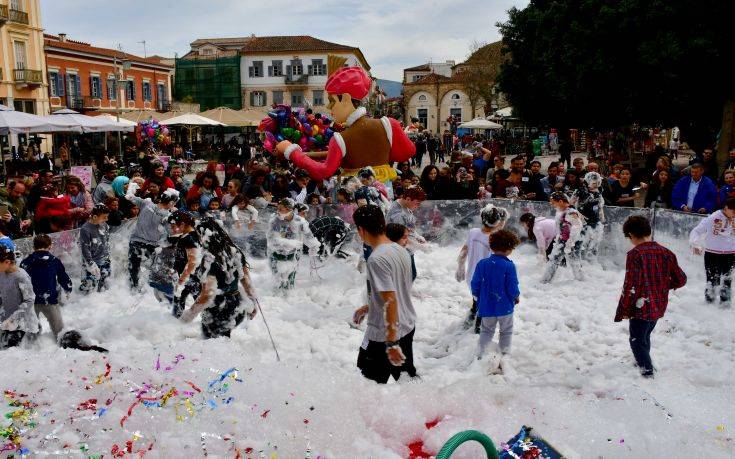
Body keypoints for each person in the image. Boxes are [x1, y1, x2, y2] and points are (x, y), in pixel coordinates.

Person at [351, 205, 417, 384]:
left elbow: (390, 299)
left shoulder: (376, 259)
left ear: (361, 230)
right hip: (407, 324)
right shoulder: (400, 249)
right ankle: (426, 408)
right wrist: (369, 307)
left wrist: (391, 343)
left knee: (368, 384)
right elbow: (396, 289)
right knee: (407, 380)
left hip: (385, 332)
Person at [615, 216, 687, 378]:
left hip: (641, 305)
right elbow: (681, 279)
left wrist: (625, 308)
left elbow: (631, 285)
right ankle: (642, 361)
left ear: (631, 235)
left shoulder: (636, 254)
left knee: (637, 340)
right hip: (658, 304)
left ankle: (647, 371)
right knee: (645, 335)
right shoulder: (666, 252)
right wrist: (662, 286)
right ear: (649, 231)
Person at [179, 218, 258, 339]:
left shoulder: (210, 258)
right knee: (223, 343)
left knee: (213, 347)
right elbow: (246, 281)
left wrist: (189, 315)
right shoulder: (234, 251)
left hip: (218, 310)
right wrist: (253, 302)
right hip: (236, 305)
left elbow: (208, 293)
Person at [471, 230, 521, 372]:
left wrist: (477, 296)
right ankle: (505, 355)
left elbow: (475, 283)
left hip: (486, 306)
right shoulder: (509, 266)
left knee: (486, 330)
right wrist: (516, 296)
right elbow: (512, 286)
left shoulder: (482, 264)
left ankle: (480, 355)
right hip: (504, 307)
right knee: (506, 331)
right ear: (509, 249)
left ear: (492, 247)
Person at [456, 204, 509, 333]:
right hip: (486, 278)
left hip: (471, 276)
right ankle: (478, 330)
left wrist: (460, 268)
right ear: (497, 222)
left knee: (477, 300)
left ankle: (468, 321)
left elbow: (463, 252)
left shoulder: (473, 232)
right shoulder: (495, 239)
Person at [125, 182, 179, 289]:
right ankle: (148, 290)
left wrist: (131, 186)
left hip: (135, 241)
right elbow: (172, 232)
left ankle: (133, 288)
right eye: (174, 203)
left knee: (134, 267)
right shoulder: (167, 216)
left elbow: (129, 197)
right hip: (151, 245)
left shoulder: (147, 204)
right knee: (151, 268)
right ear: (171, 203)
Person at [20, 234, 72, 339]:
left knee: (31, 328)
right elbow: (63, 277)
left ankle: (33, 344)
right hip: (50, 298)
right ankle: (60, 342)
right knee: (59, 329)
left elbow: (20, 281)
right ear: (50, 247)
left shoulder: (25, 262)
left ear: (33, 247)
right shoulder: (54, 261)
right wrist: (68, 288)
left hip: (31, 300)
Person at [266, 198, 320, 292]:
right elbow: (271, 240)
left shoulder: (300, 221)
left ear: (290, 210)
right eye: (277, 209)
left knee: (290, 281)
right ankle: (276, 300)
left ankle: (288, 299)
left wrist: (314, 246)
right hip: (275, 254)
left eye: (281, 209)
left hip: (293, 254)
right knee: (278, 280)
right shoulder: (274, 221)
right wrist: (289, 242)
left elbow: (308, 236)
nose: (278, 211)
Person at [689, 198, 735, 305]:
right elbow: (696, 231)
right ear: (726, 208)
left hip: (731, 254)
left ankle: (725, 305)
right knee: (712, 280)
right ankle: (709, 304)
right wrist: (695, 244)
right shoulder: (713, 217)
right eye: (733, 212)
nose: (734, 215)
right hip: (713, 253)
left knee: (727, 280)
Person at [541, 192, 585, 284]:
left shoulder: (571, 212)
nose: (552, 205)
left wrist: (570, 243)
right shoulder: (562, 212)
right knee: (557, 259)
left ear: (560, 201)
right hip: (563, 240)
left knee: (572, 261)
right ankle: (580, 279)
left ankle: (546, 281)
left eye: (553, 203)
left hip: (571, 241)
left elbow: (577, 227)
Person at [0, 247, 38, 349]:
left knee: (14, 355)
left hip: (23, 324)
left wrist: (13, 318)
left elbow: (29, 300)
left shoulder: (21, 277)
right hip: (7, 322)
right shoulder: (1, 273)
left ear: (7, 262)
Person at [79, 204, 111, 293]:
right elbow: (85, 248)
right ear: (95, 217)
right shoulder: (85, 229)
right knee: (89, 286)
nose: (106, 219)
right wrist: (91, 264)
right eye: (104, 217)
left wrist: (108, 256)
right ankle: (84, 302)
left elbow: (106, 241)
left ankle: (103, 303)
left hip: (105, 259)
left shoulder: (104, 225)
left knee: (104, 284)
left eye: (107, 217)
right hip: (92, 262)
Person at [573, 172, 606, 260]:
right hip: (582, 221)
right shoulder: (579, 190)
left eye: (597, 183)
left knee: (594, 242)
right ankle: (578, 260)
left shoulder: (599, 190)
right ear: (587, 181)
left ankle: (592, 261)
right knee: (581, 242)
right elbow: (570, 204)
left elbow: (600, 203)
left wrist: (601, 213)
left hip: (595, 220)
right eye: (593, 183)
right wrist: (577, 214)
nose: (595, 185)